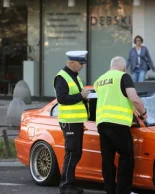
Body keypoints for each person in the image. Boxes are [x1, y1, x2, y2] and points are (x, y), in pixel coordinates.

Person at [94, 56, 147, 194]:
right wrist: (144, 113)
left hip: (102, 124)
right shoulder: (124, 76)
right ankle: (123, 191)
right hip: (118, 123)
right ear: (124, 67)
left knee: (107, 159)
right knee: (126, 157)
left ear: (110, 66)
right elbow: (134, 99)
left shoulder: (99, 80)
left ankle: (110, 190)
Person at [53, 50, 90, 194]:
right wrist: (80, 96)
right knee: (72, 152)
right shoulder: (62, 77)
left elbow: (75, 98)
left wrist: (84, 98)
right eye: (81, 63)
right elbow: (61, 98)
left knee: (75, 153)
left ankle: (70, 184)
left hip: (76, 121)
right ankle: (66, 186)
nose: (82, 66)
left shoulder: (74, 77)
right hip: (69, 121)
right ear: (72, 62)